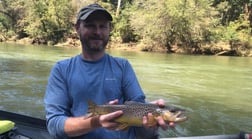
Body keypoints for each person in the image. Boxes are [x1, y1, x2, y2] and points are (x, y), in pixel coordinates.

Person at [44, 3, 173, 139]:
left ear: (109, 30)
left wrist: (150, 119)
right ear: (77, 28)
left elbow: (139, 114)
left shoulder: (123, 66)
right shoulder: (62, 69)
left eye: (102, 26)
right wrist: (96, 122)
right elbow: (54, 125)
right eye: (90, 25)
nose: (97, 32)